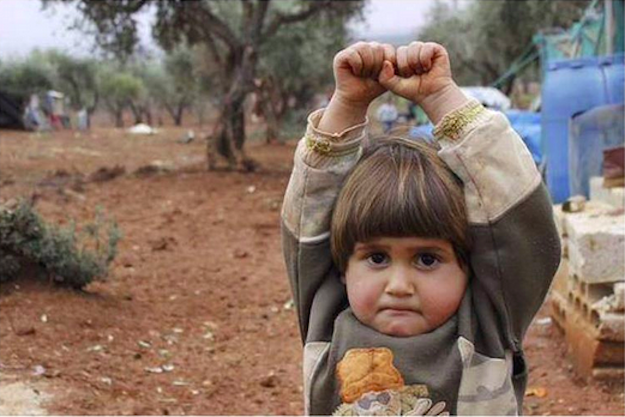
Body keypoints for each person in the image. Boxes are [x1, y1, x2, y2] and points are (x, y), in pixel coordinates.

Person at [281, 41, 560, 416]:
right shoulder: (327, 319)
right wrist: (346, 106)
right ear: (343, 268)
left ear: (469, 265)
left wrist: (441, 97)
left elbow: (520, 218)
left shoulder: (486, 324)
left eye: (427, 259)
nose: (399, 286)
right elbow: (309, 214)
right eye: (376, 257)